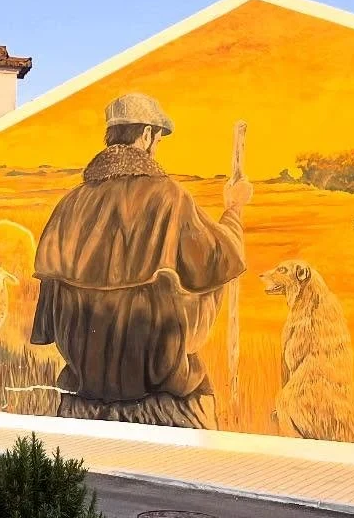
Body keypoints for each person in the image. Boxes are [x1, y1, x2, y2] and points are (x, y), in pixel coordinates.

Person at [31, 92, 252, 429]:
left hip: (84, 392)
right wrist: (234, 210)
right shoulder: (171, 198)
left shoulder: (69, 205)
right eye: (157, 139)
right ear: (147, 135)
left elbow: (48, 314)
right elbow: (222, 259)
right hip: (160, 391)